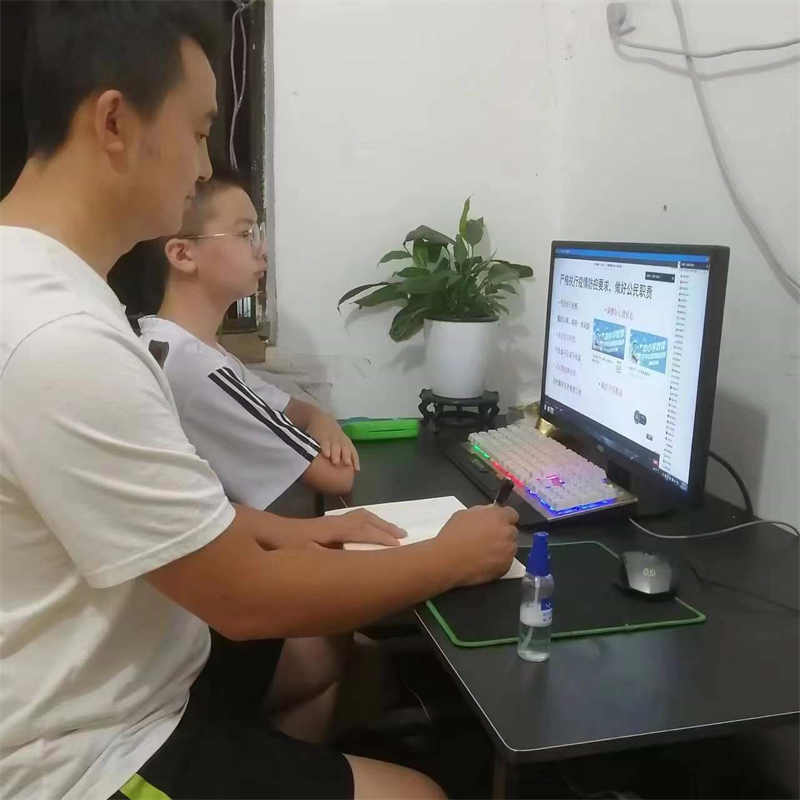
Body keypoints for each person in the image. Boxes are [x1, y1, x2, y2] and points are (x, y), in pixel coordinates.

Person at [0, 3, 518, 799]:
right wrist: (450, 555)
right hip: (84, 753)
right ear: (114, 123)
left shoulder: (56, 291)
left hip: (135, 668)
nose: (203, 166)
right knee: (422, 794)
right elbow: (242, 599)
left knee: (328, 662)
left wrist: (304, 533)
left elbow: (167, 513)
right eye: (199, 131)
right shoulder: (60, 338)